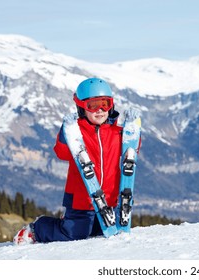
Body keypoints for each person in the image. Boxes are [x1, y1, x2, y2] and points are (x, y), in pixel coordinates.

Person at [14, 77, 123, 244]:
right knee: (74, 235)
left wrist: (132, 129)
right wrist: (66, 133)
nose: (100, 110)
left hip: (109, 199)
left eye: (105, 104)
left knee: (102, 233)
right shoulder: (77, 131)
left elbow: (132, 150)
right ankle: (38, 228)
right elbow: (62, 153)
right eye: (93, 105)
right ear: (81, 107)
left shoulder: (117, 131)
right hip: (81, 199)